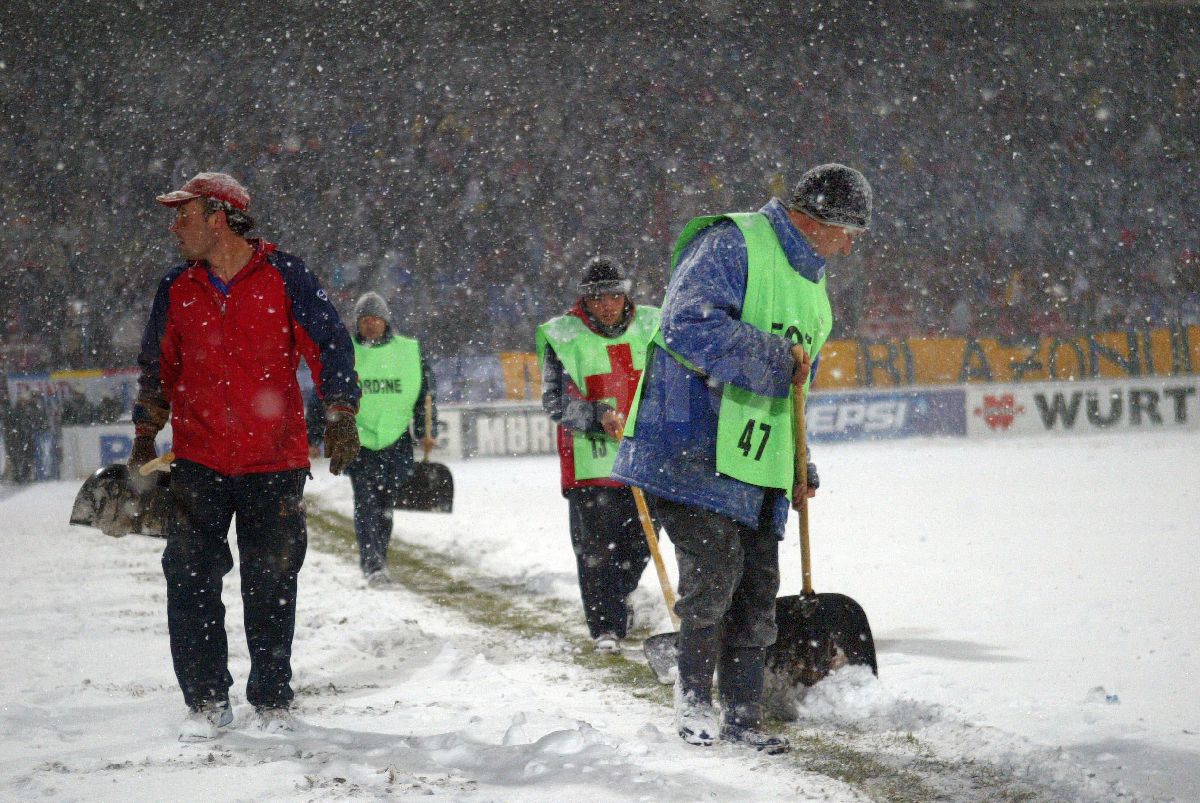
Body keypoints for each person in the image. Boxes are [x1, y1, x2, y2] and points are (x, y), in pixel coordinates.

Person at [612, 164, 872, 754]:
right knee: (715, 573)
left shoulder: (817, 291)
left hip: (756, 460)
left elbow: (796, 394)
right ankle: (696, 704)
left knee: (759, 587)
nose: (852, 243)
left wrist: (798, 462)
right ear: (817, 220)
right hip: (688, 443)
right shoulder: (732, 242)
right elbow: (687, 323)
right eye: (850, 229)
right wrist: (776, 358)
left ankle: (743, 718)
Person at [130, 171, 361, 742]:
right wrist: (144, 434)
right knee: (188, 578)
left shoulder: (287, 275)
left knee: (272, 582)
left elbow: (329, 343)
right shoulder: (176, 286)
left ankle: (273, 699)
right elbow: (159, 368)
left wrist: (341, 411)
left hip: (275, 464)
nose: (174, 226)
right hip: (199, 463)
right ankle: (208, 700)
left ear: (218, 217)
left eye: (183, 215)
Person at [535, 258, 661, 654]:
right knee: (595, 552)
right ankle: (605, 627)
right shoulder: (563, 336)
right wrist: (596, 415)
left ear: (627, 294)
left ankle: (618, 601)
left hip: (645, 461)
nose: (607, 305)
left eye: (614, 296)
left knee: (641, 545)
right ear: (584, 299)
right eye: (598, 298)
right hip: (590, 465)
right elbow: (554, 401)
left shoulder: (653, 325)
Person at [344, 290, 438, 587]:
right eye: (364, 320)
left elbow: (425, 397)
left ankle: (379, 557)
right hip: (358, 441)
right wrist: (316, 431)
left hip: (395, 440)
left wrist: (426, 432)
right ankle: (372, 563)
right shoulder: (345, 351)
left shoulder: (408, 351)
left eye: (375, 319)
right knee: (365, 503)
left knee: (385, 503)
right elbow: (323, 394)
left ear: (386, 322)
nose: (370, 325)